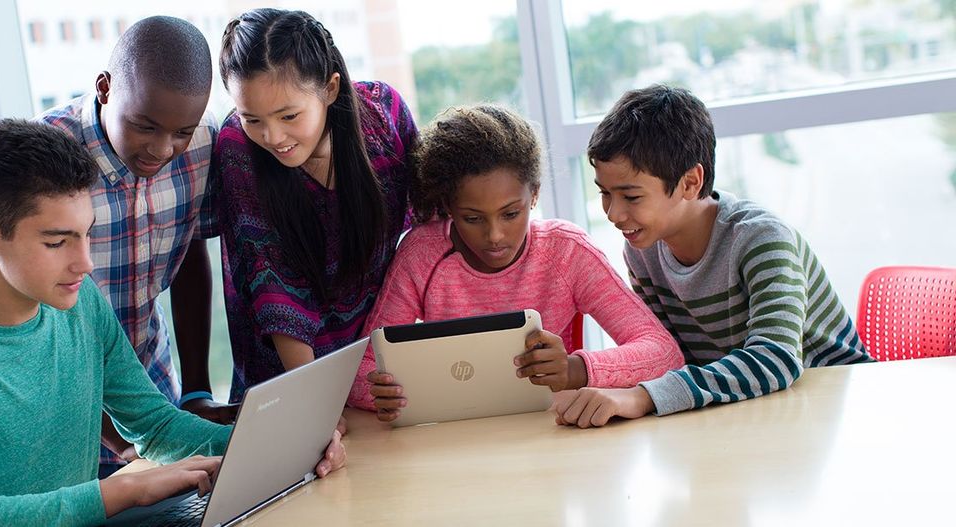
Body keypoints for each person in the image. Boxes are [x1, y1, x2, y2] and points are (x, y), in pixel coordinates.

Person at [0, 119, 345, 525]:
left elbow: (156, 427)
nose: (84, 263)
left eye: (86, 235)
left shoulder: (80, 302)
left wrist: (285, 447)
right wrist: (124, 491)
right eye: (57, 242)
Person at [0, 16, 236, 477]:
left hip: (147, 397)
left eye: (180, 132)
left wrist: (194, 392)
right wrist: (115, 437)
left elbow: (188, 252)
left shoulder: (202, 142)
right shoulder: (39, 161)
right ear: (105, 88)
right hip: (51, 409)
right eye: (145, 126)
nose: (163, 149)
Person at [552, 84, 874, 428]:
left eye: (631, 197)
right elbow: (671, 360)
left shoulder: (760, 239)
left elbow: (775, 361)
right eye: (605, 193)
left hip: (839, 408)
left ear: (691, 182)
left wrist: (643, 396)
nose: (613, 214)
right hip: (753, 413)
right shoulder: (642, 251)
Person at [351, 105, 684, 420]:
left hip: (553, 435)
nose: (495, 235)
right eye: (472, 218)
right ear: (448, 206)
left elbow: (663, 353)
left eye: (511, 214)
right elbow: (361, 371)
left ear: (534, 195)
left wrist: (573, 370)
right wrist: (391, 392)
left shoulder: (566, 251)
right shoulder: (422, 254)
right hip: (457, 440)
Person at [212, 8, 417, 402]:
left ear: (330, 88)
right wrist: (317, 407)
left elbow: (427, 233)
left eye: (289, 115)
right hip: (287, 381)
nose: (272, 137)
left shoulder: (384, 113)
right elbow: (271, 281)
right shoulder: (238, 147)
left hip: (380, 364)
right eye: (252, 118)